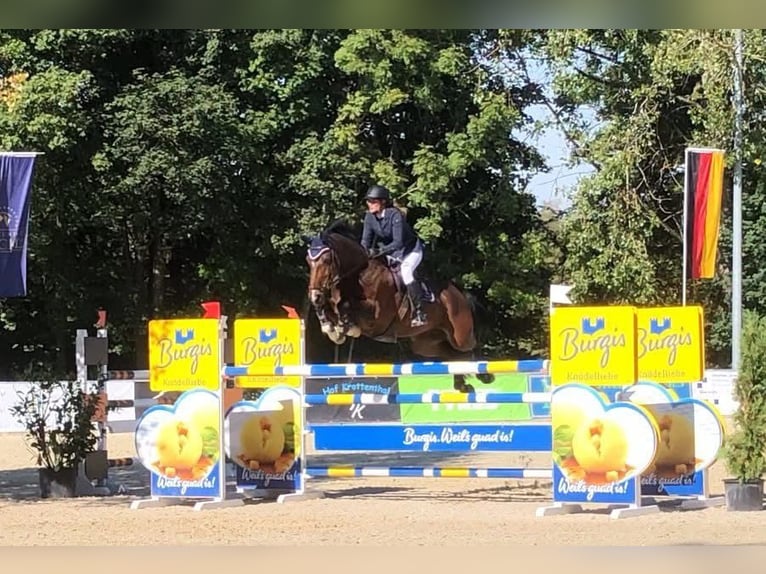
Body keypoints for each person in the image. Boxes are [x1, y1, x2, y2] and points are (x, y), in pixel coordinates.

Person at [360, 184, 428, 327]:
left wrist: (378, 252)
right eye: (368, 201)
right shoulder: (369, 217)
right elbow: (365, 241)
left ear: (383, 202)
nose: (369, 204)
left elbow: (398, 242)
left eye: (373, 201)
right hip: (390, 251)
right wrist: (363, 254)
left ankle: (419, 312)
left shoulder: (394, 215)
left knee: (406, 271)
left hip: (411, 250)